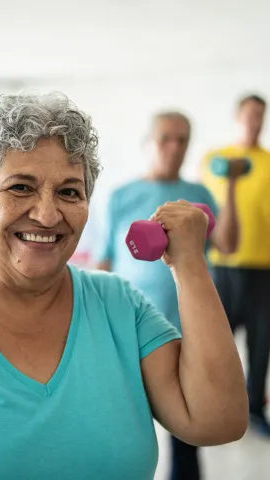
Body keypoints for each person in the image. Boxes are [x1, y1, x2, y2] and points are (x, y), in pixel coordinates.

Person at [0, 93, 247, 480]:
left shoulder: (121, 306)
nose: (47, 214)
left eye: (69, 191)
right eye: (20, 187)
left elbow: (217, 421)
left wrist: (190, 263)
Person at [94, 111, 247, 480]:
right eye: (166, 138)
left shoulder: (198, 195)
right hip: (133, 332)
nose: (175, 147)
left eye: (183, 140)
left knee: (190, 430)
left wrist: (229, 186)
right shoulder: (121, 196)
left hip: (189, 329)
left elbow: (228, 243)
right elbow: (102, 263)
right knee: (125, 427)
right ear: (148, 143)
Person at [201, 94, 270, 437]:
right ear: (237, 116)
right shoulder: (214, 160)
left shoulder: (269, 162)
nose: (254, 121)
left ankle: (255, 410)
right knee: (215, 341)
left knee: (261, 344)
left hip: (264, 268)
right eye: (249, 114)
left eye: (260, 115)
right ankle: (212, 406)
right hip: (222, 266)